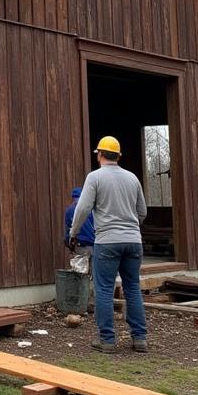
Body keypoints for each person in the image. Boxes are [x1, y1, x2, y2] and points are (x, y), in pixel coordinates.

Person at [68, 136, 148, 353]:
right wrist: (130, 228)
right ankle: (140, 338)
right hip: (133, 241)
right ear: (119, 156)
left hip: (107, 241)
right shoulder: (132, 178)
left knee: (104, 289)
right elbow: (142, 212)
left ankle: (107, 340)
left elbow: (82, 208)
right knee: (132, 288)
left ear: (99, 155)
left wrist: (73, 232)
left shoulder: (94, 178)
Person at [64, 186, 95, 258]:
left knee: (81, 268)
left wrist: (68, 243)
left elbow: (68, 229)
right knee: (94, 268)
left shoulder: (69, 211)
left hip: (80, 246)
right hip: (95, 245)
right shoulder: (91, 208)